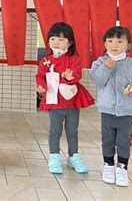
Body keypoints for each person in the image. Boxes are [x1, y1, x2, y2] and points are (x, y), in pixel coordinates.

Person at [90, 26, 132, 187]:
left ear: (128, 45)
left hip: (126, 111)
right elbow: (97, 80)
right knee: (107, 140)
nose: (114, 44)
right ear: (105, 43)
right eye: (110, 41)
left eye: (120, 41)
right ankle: (108, 165)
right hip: (107, 110)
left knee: (123, 141)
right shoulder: (100, 62)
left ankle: (122, 168)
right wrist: (106, 68)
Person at [36, 22, 94, 175]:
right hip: (55, 102)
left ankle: (73, 156)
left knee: (72, 130)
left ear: (70, 42)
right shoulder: (45, 61)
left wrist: (70, 77)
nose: (57, 42)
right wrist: (41, 86)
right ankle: (54, 157)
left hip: (72, 102)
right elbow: (40, 76)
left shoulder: (74, 59)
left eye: (62, 39)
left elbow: (77, 74)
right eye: (53, 38)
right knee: (55, 131)